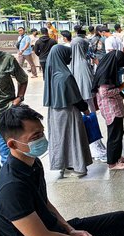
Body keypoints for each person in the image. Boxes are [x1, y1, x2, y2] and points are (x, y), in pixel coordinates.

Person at [0, 105, 124, 236]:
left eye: (42, 132)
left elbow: (44, 203)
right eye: (36, 136)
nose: (43, 139)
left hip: (49, 232)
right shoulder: (10, 187)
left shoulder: (32, 164)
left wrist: (69, 229)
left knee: (119, 220)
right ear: (13, 144)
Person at [43, 45, 93, 176]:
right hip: (68, 112)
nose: (69, 57)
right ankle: (78, 166)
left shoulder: (50, 73)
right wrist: (85, 110)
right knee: (73, 138)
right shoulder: (65, 76)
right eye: (67, 55)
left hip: (54, 112)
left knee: (60, 139)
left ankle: (63, 165)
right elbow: (76, 98)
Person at [0, 26, 28, 164]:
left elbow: (23, 79)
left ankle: (7, 182)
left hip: (3, 112)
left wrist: (19, 98)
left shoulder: (6, 59)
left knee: (6, 153)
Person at [70, 32, 108, 163]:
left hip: (81, 100)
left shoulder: (73, 63)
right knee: (91, 123)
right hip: (86, 100)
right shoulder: (82, 64)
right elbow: (87, 86)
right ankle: (96, 150)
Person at [93, 50, 124, 170]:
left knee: (119, 133)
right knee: (114, 135)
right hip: (111, 109)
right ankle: (112, 163)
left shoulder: (108, 70)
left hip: (115, 107)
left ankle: (117, 157)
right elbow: (104, 93)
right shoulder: (105, 74)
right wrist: (121, 87)